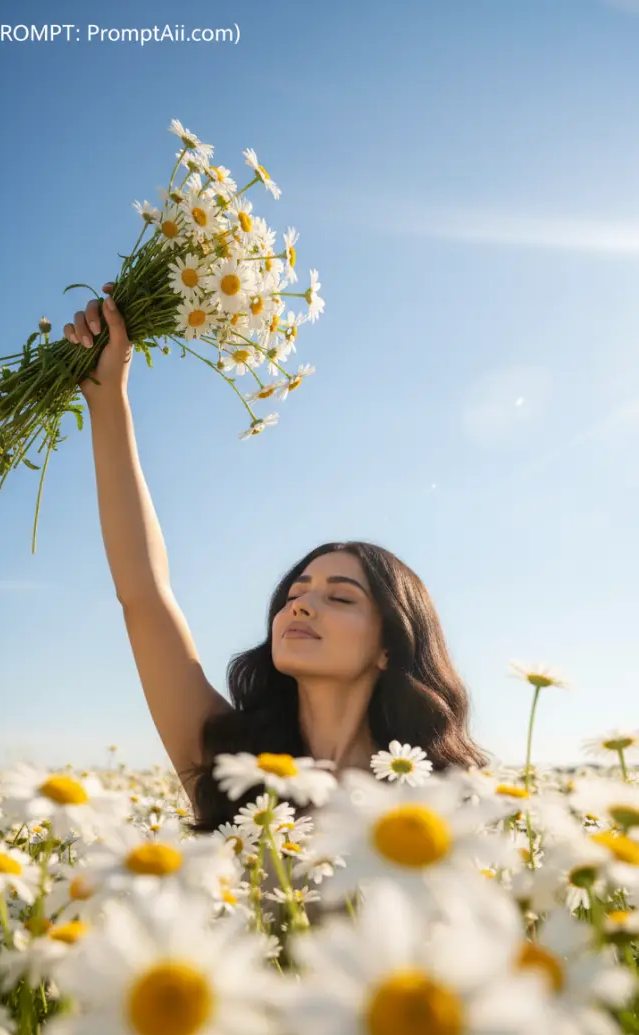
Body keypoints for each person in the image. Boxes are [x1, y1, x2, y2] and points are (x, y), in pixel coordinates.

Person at [65, 287, 489, 836]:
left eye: (339, 597)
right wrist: (107, 399)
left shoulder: (444, 798)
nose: (301, 606)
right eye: (293, 595)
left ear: (390, 646)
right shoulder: (229, 757)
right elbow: (143, 593)